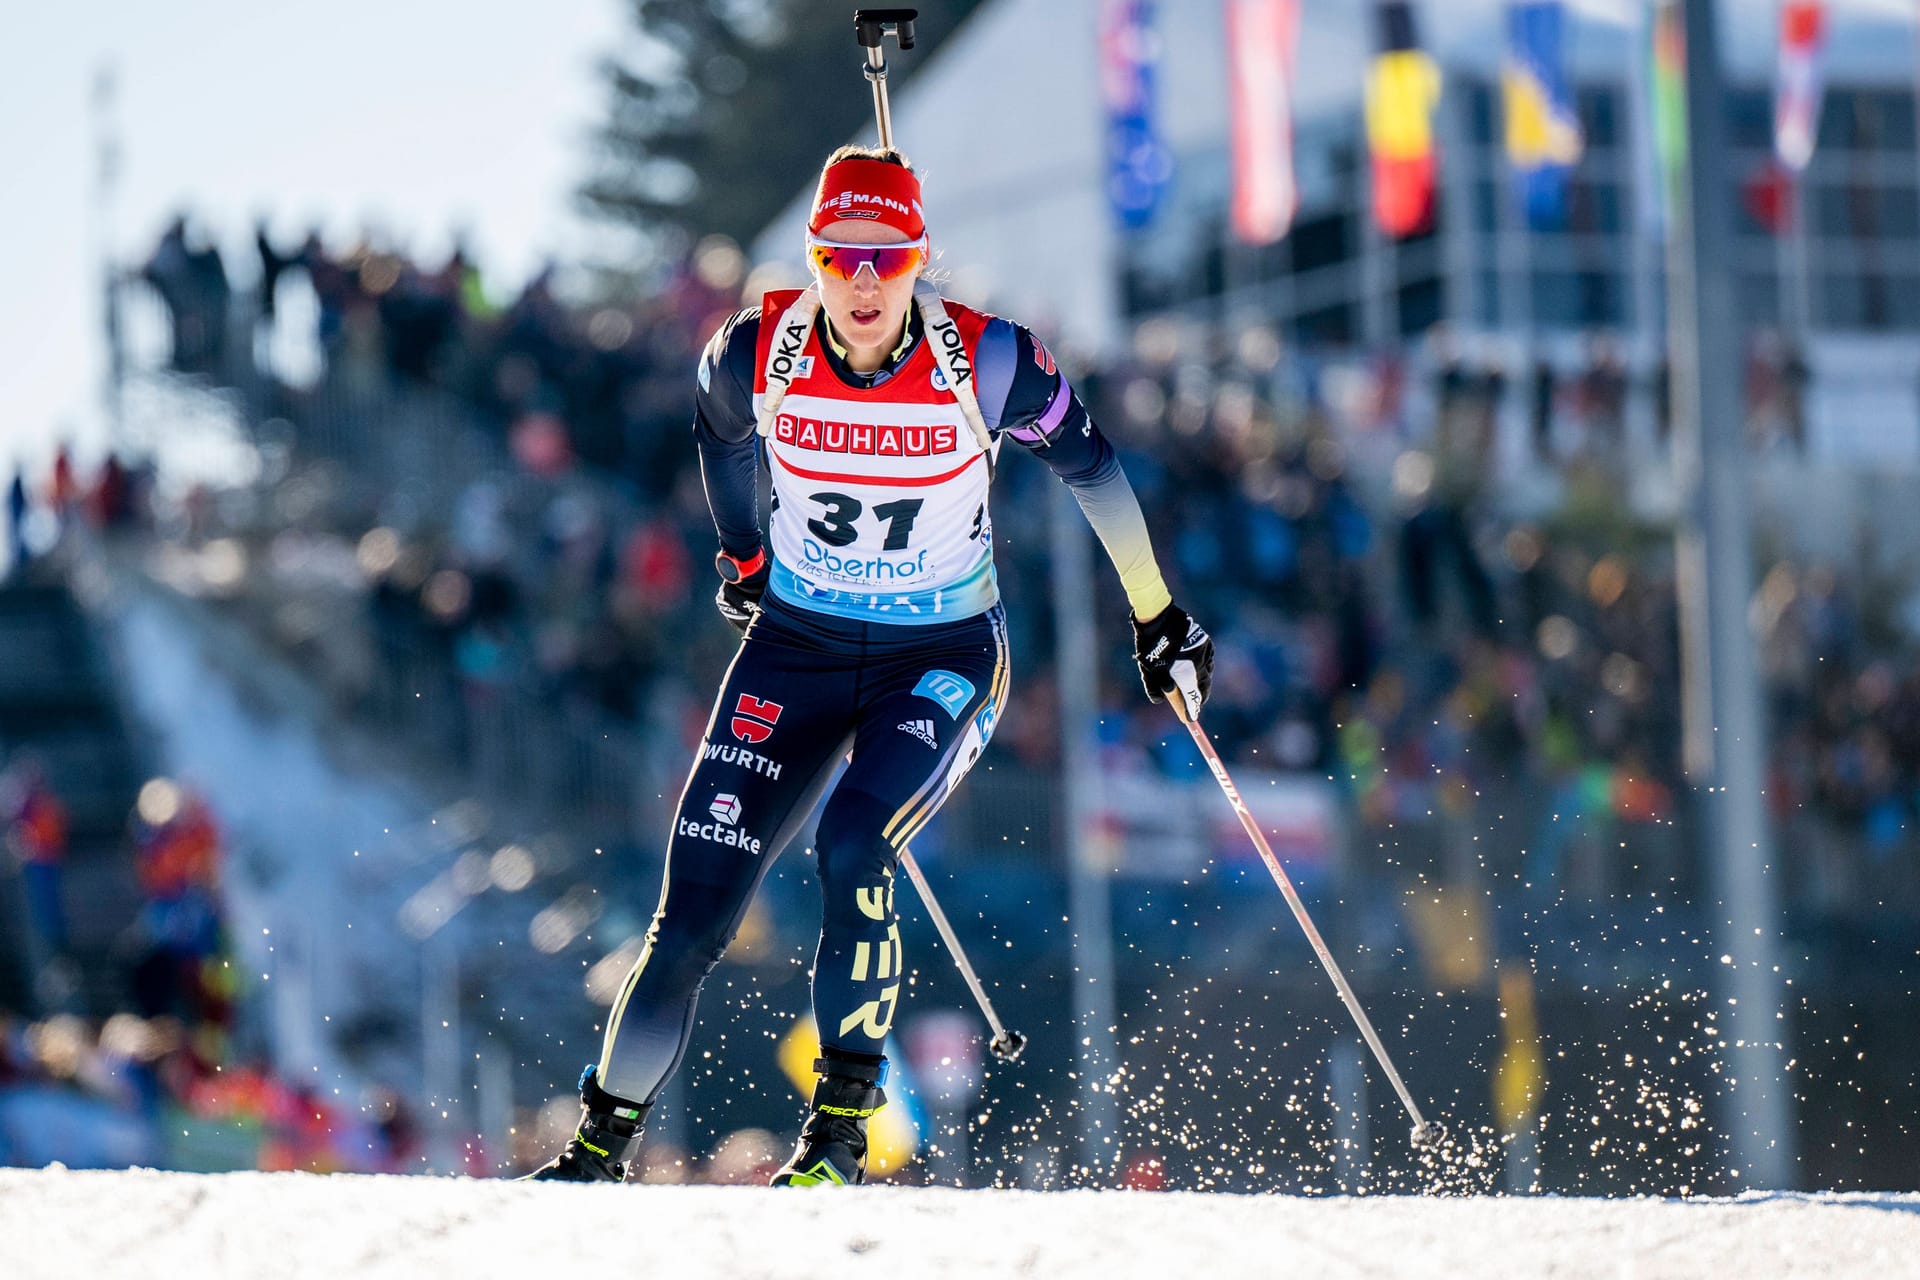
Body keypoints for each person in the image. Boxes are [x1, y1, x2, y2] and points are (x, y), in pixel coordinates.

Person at [526, 146, 1214, 1187]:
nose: (860, 283)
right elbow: (717, 436)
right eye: (839, 258)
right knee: (695, 902)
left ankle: (842, 1125)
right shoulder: (757, 350)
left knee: (854, 840)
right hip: (797, 647)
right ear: (811, 258)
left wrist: (1158, 616)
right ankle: (595, 1148)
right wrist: (745, 553)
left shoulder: (988, 361)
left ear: (919, 261)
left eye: (885, 260)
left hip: (937, 654)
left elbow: (1095, 469)